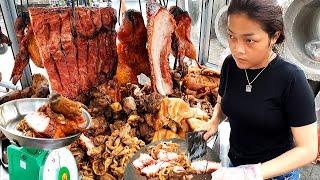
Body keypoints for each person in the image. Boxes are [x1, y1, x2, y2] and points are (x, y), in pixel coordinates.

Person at [197, 0, 318, 179]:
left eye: (250, 40)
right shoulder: (230, 64)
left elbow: (308, 149)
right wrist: (214, 121)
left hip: (275, 175)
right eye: (232, 36)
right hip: (234, 167)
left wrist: (251, 173)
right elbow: (223, 103)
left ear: (274, 37)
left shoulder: (292, 79)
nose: (238, 49)